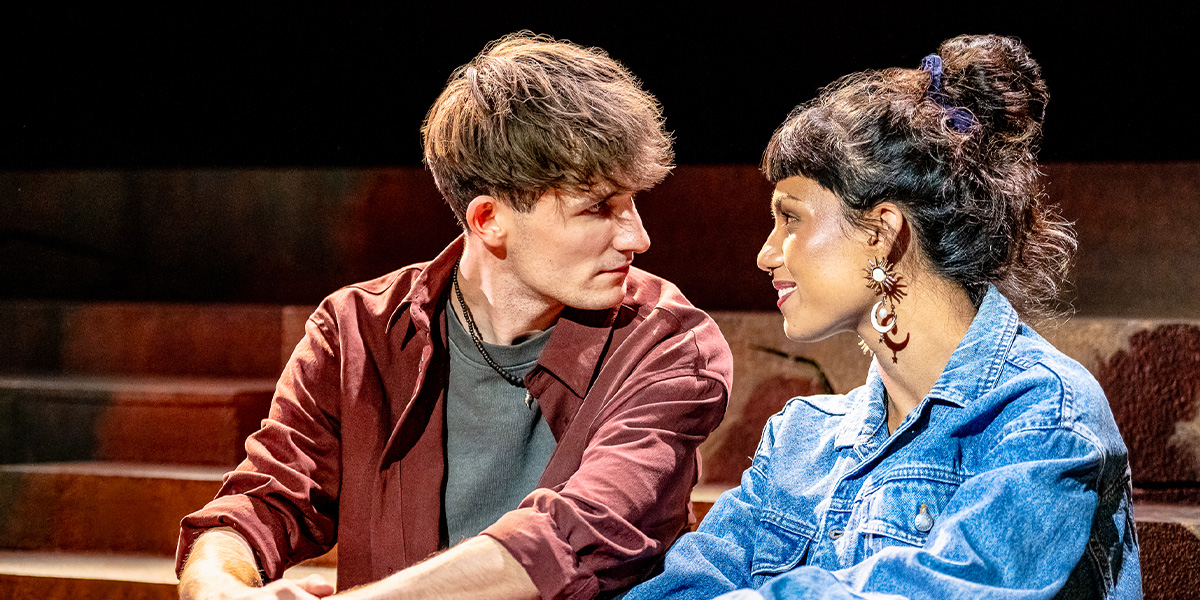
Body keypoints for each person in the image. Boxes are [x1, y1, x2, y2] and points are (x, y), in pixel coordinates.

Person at [175, 32, 732, 600]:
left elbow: (574, 535)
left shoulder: (669, 346)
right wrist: (220, 585)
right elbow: (265, 502)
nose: (637, 236)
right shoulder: (355, 330)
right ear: (489, 219)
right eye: (598, 208)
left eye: (634, 202)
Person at [625, 34, 1139, 600]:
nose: (766, 254)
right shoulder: (801, 439)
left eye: (790, 219)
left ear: (883, 233)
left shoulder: (1039, 415)